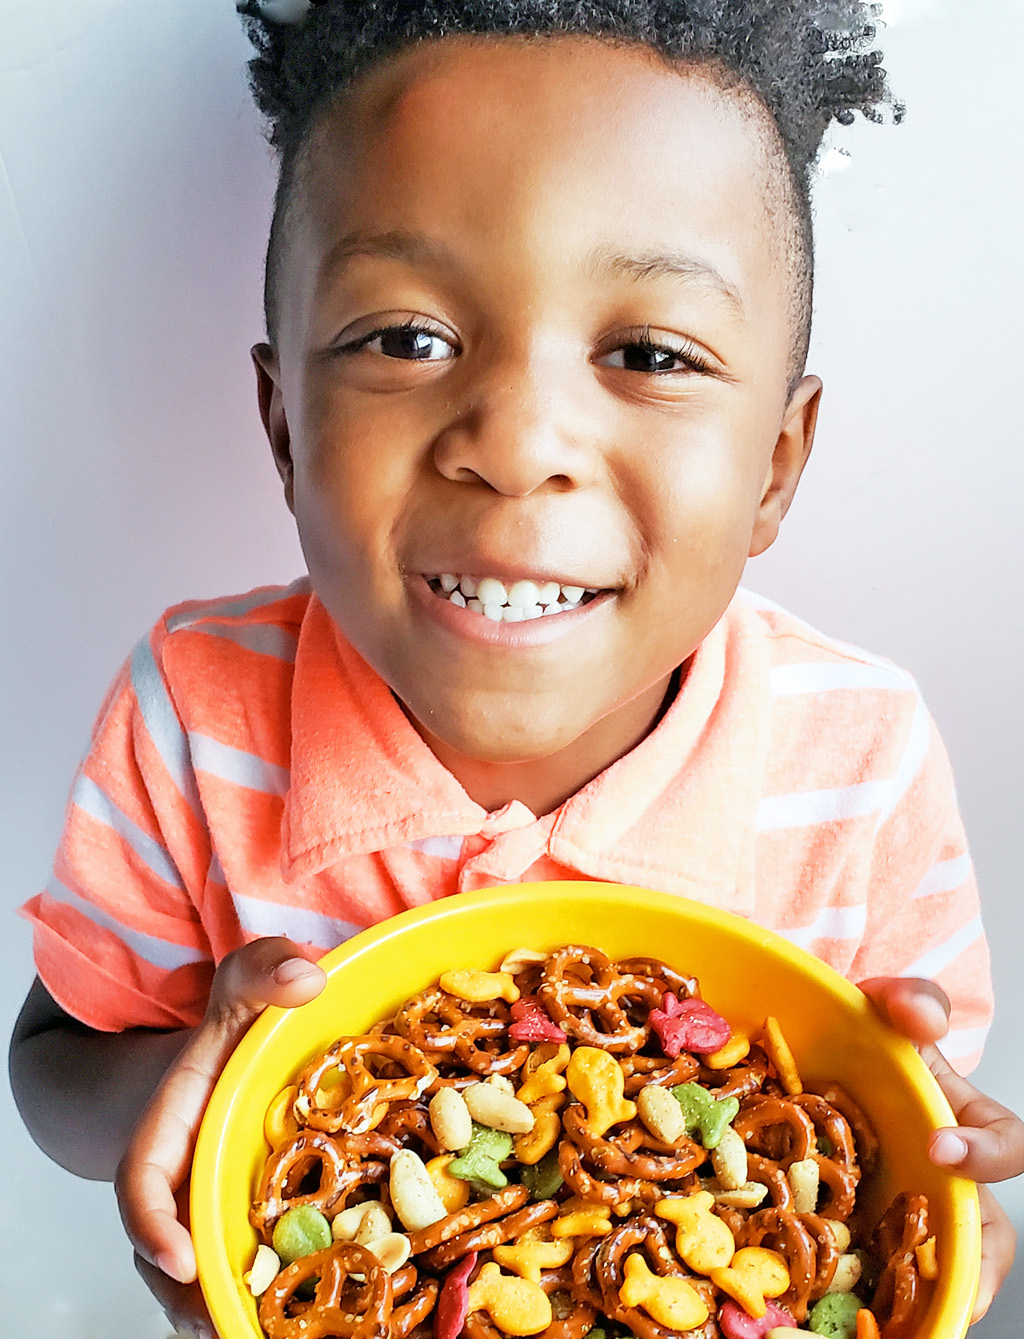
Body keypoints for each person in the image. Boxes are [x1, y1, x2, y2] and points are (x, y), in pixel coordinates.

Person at [9, 1, 1024, 1334]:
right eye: (405, 339)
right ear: (282, 426)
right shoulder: (197, 716)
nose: (517, 441)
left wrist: (937, 1169)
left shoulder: (862, 759)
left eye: (648, 353)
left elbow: (913, 1148)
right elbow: (50, 1069)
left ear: (778, 464)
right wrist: (200, 1096)